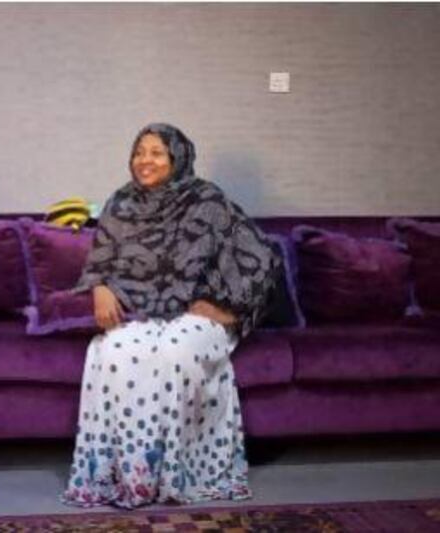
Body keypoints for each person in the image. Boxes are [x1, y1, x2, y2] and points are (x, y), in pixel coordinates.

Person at [61, 123, 282, 509]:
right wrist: (100, 287)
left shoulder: (208, 201)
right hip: (142, 312)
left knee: (176, 351)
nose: (145, 161)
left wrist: (227, 306)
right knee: (114, 351)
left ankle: (183, 472)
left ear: (177, 158)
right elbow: (100, 259)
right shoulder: (121, 203)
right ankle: (133, 478)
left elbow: (263, 258)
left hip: (196, 318)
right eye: (139, 152)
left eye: (156, 152)